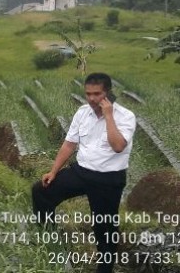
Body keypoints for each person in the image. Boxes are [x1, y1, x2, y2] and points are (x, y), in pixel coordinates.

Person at [32, 73, 136, 273]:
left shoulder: (126, 116)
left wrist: (108, 116)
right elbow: (69, 144)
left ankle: (104, 269)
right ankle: (51, 242)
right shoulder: (82, 113)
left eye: (97, 94)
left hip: (108, 179)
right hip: (81, 172)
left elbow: (117, 146)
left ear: (108, 93)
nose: (91, 99)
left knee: (104, 228)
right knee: (41, 192)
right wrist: (54, 171)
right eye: (88, 94)